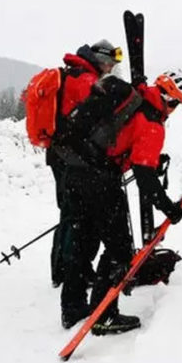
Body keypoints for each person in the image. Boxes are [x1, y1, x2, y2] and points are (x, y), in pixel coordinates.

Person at [54, 68, 182, 335]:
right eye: (176, 104)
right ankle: (105, 316)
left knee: (83, 241)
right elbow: (145, 180)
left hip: (74, 170)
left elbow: (123, 142)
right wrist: (170, 208)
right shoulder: (152, 123)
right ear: (171, 100)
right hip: (100, 182)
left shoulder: (134, 96)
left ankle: (72, 308)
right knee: (119, 251)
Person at [48, 40, 121, 287]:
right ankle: (70, 272)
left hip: (61, 153)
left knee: (69, 213)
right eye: (110, 63)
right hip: (70, 156)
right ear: (100, 60)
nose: (110, 69)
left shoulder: (74, 73)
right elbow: (89, 121)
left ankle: (65, 270)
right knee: (75, 217)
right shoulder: (85, 81)